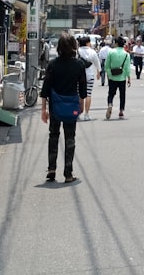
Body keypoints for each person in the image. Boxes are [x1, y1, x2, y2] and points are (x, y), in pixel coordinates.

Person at [40, 34, 88, 184]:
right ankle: (68, 173)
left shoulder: (53, 65)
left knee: (53, 135)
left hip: (55, 106)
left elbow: (46, 87)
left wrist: (43, 109)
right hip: (72, 105)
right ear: (74, 47)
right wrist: (81, 104)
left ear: (59, 47)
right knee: (70, 138)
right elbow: (83, 88)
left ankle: (51, 169)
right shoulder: (79, 65)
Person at [103, 36, 131, 120]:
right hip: (122, 77)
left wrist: (109, 74)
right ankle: (121, 111)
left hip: (112, 77)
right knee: (122, 94)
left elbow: (106, 65)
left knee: (111, 93)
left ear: (116, 43)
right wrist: (128, 78)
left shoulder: (111, 52)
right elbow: (127, 68)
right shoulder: (126, 54)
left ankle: (110, 104)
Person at [76, 35, 99, 121]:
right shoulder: (92, 52)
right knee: (88, 94)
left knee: (79, 94)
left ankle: (78, 114)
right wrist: (98, 72)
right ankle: (86, 114)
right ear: (87, 43)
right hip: (89, 75)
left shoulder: (77, 51)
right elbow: (97, 62)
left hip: (78, 76)